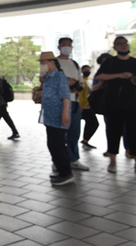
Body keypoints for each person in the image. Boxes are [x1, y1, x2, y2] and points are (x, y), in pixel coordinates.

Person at [95, 36, 136, 174]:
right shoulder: (110, 63)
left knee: (134, 133)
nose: (123, 46)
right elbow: (99, 76)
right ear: (114, 47)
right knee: (113, 132)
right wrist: (119, 75)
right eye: (119, 44)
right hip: (113, 104)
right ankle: (112, 161)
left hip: (134, 104)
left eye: (125, 44)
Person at [38, 51, 74, 186]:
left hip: (59, 117)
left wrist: (65, 114)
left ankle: (66, 174)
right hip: (50, 117)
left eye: (44, 62)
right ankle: (61, 171)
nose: (42, 65)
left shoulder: (60, 77)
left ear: (52, 62)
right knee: (53, 145)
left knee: (57, 146)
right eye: (41, 63)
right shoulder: (48, 78)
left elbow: (66, 97)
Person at [56, 37, 88, 171]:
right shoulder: (54, 62)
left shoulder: (75, 64)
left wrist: (76, 87)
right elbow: (46, 81)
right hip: (59, 102)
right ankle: (58, 161)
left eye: (69, 45)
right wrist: (66, 83)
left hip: (74, 102)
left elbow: (81, 82)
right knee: (59, 134)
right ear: (59, 47)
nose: (67, 47)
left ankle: (73, 159)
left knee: (74, 132)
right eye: (64, 45)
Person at [78, 65, 99, 149]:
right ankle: (85, 141)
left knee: (91, 123)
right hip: (84, 106)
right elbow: (80, 95)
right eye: (85, 70)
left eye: (88, 70)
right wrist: (81, 106)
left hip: (88, 106)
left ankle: (85, 140)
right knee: (93, 123)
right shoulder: (82, 81)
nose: (87, 71)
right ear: (82, 71)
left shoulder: (89, 81)